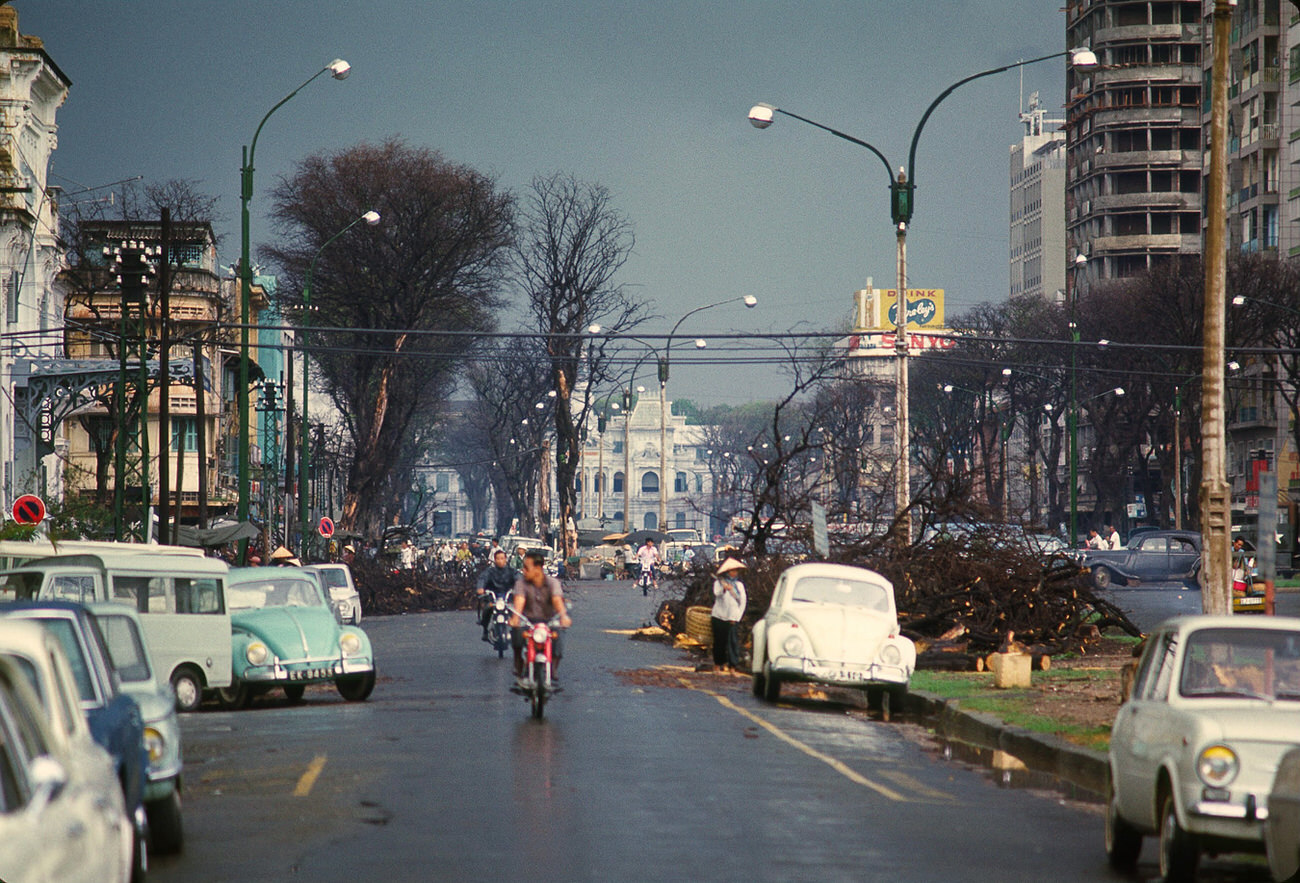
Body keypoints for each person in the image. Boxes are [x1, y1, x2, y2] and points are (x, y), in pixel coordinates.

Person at [510, 551, 571, 680]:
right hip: (528, 620)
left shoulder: (552, 583)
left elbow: (557, 600)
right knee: (517, 633)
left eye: (526, 568)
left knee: (558, 638)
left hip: (549, 620)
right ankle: (518, 659)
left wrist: (563, 616)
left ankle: (553, 667)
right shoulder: (521, 583)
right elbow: (519, 601)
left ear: (538, 568)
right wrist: (515, 618)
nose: (523, 571)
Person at [710, 558, 748, 673]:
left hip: (733, 617)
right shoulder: (718, 583)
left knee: (732, 642)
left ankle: (733, 667)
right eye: (732, 570)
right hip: (719, 616)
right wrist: (724, 589)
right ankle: (717, 665)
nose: (734, 573)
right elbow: (717, 594)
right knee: (719, 642)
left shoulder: (739, 585)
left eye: (735, 570)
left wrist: (737, 617)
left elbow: (743, 601)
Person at [476, 548, 519, 641]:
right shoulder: (490, 571)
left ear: (505, 559)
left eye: (502, 558)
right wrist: (480, 588)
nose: (500, 561)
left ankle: (516, 631)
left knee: (516, 612)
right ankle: (485, 630)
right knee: (487, 609)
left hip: (507, 598)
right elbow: (482, 579)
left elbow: (519, 578)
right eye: (498, 559)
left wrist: (520, 587)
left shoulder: (512, 571)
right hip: (493, 597)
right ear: (495, 560)